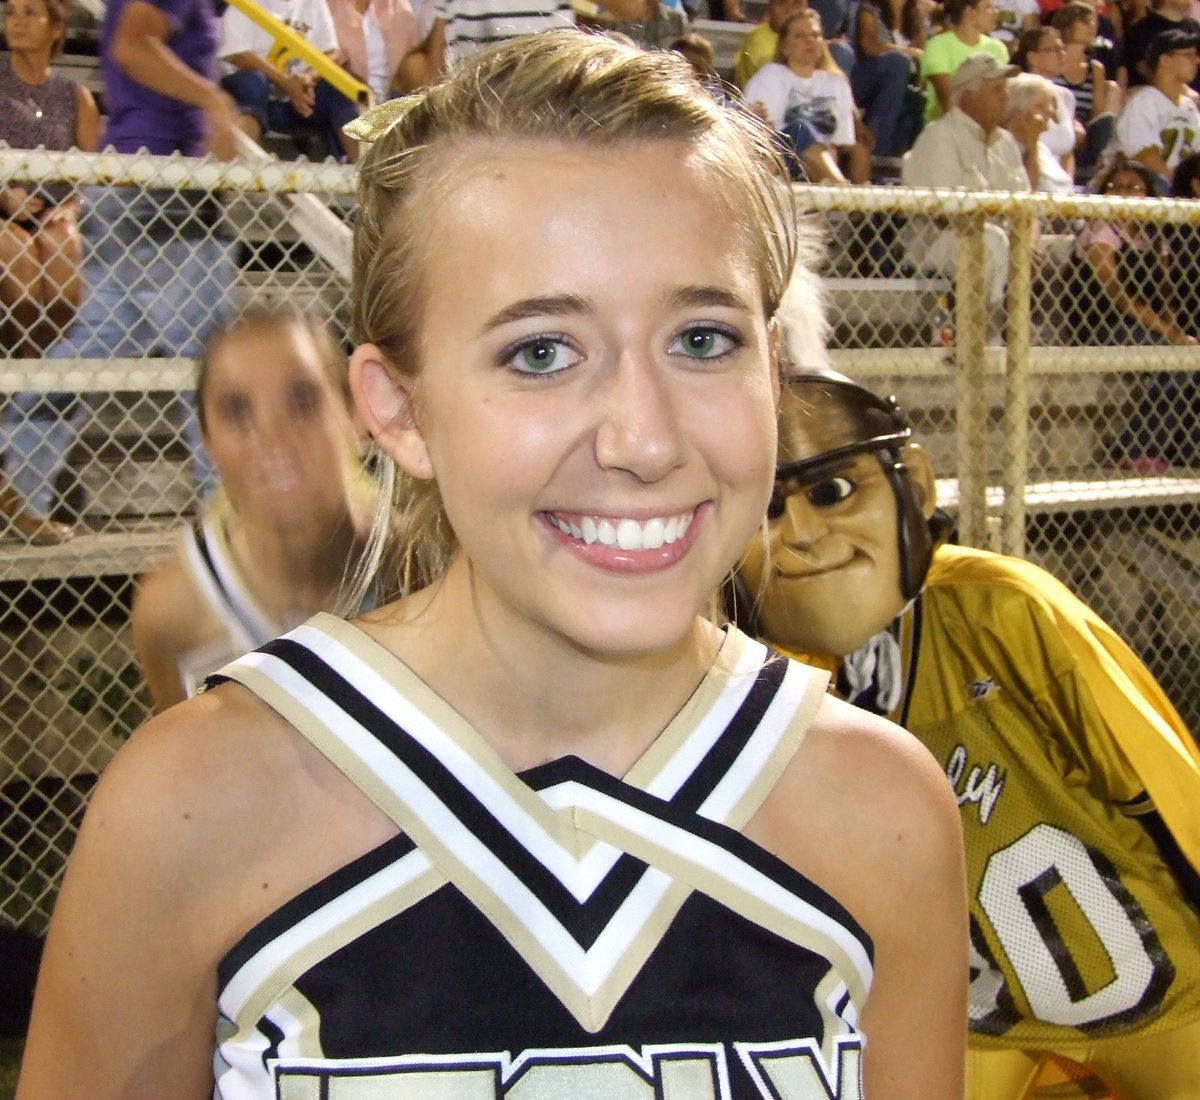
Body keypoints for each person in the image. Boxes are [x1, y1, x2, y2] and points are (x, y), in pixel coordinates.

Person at [16, 31, 968, 1098]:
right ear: (400, 411)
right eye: (541, 352)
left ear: (775, 373)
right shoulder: (190, 806)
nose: (644, 440)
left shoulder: (886, 806)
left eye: (702, 339)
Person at [734, 369, 1200, 1100]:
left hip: (1165, 991)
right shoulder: (765, 671)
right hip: (986, 1016)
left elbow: (1167, 797)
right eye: (763, 510)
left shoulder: (1007, 612)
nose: (801, 533)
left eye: (830, 491)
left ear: (913, 483)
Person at [0, 0, 242, 535]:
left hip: (133, 192)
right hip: (161, 193)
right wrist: (215, 102)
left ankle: (14, 472)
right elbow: (132, 45)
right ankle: (231, 527)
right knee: (211, 361)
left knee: (94, 344)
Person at [131, 309, 376, 711]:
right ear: (207, 440)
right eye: (236, 411)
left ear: (356, 414)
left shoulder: (424, 569)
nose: (272, 435)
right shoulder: (174, 614)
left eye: (302, 399)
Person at [0, 0, 99, 545]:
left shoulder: (73, 94)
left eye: (31, 12)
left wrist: (67, 209)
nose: (16, 20)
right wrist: (8, 196)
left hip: (57, 214)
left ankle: (29, 393)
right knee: (15, 251)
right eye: (10, 11)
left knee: (63, 260)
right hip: (3, 212)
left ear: (57, 28)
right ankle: (22, 393)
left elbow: (97, 172)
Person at [902, 52, 1028, 310]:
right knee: (990, 241)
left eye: (1005, 89)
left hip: (997, 236)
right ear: (969, 96)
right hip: (936, 247)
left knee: (1053, 247)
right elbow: (945, 215)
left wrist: (1027, 243)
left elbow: (1025, 205)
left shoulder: (1006, 143)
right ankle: (987, 331)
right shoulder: (940, 136)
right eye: (996, 90)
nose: (1005, 96)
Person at [218, 0, 362, 161]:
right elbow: (238, 53)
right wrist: (287, 83)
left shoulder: (314, 4)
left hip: (301, 100)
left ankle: (366, 173)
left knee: (340, 90)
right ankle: (236, 168)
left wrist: (307, 78)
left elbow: (331, 52)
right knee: (253, 83)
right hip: (252, 97)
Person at [744, 8, 862, 182]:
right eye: (800, 35)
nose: (810, 40)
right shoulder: (771, 75)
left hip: (820, 169)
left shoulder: (836, 83)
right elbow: (761, 134)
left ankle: (837, 192)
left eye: (815, 35)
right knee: (801, 129)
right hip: (779, 162)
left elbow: (839, 142)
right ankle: (842, 193)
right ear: (784, 46)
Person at [1115, 26, 1200, 187]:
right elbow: (1146, 159)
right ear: (1165, 60)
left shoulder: (1189, 107)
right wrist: (1179, 190)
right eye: (1188, 55)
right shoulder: (1143, 102)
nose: (1196, 60)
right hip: (1140, 189)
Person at [1052, 2, 1120, 178]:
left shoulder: (1096, 68)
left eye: (1093, 22)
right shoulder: (1053, 61)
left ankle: (1099, 174)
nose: (1092, 26)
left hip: (1083, 135)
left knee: (1106, 122)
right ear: (1067, 25)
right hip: (1057, 123)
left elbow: (1095, 115)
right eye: (1085, 22)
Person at [851, 0, 926, 157]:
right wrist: (909, 52)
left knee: (918, 99)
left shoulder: (914, 15)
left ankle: (898, 159)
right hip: (869, 77)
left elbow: (923, 55)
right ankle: (876, 151)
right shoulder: (870, 9)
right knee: (899, 62)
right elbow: (869, 46)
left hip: (902, 83)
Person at [919, 0, 1009, 121]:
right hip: (947, 130)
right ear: (970, 12)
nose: (996, 12)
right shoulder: (938, 45)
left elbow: (1002, 96)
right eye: (988, 7)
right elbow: (948, 102)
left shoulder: (997, 48)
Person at [1013, 27, 1081, 178]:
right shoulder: (1017, 91)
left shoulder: (1066, 96)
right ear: (1032, 57)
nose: (1062, 54)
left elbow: (1068, 154)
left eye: (1063, 49)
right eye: (1054, 49)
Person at [325, 0, 420, 105]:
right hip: (348, 100)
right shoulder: (325, 7)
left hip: (395, 103)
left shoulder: (398, 6)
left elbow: (413, 64)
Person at [1005, 71, 1077, 190]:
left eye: (1050, 104)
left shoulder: (1043, 149)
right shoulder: (1005, 146)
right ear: (1018, 113)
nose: (1050, 111)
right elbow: (1027, 189)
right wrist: (1032, 145)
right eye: (1040, 106)